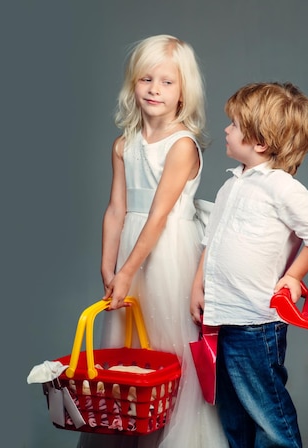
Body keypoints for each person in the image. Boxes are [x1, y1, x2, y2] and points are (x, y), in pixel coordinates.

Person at [77, 35, 228, 448]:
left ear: (183, 94)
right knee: (127, 347)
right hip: (130, 252)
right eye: (146, 79)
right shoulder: (123, 145)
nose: (154, 90)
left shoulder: (181, 146)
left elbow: (159, 216)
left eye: (167, 82)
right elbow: (115, 210)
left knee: (167, 346)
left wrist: (126, 271)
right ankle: (131, 429)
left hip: (168, 254)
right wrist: (109, 267)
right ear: (133, 85)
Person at [190, 82, 308, 448]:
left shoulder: (280, 187)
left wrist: (293, 276)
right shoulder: (232, 185)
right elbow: (212, 239)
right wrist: (198, 284)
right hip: (224, 315)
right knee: (232, 411)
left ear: (261, 142)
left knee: (266, 410)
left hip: (256, 321)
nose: (226, 129)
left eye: (235, 125)